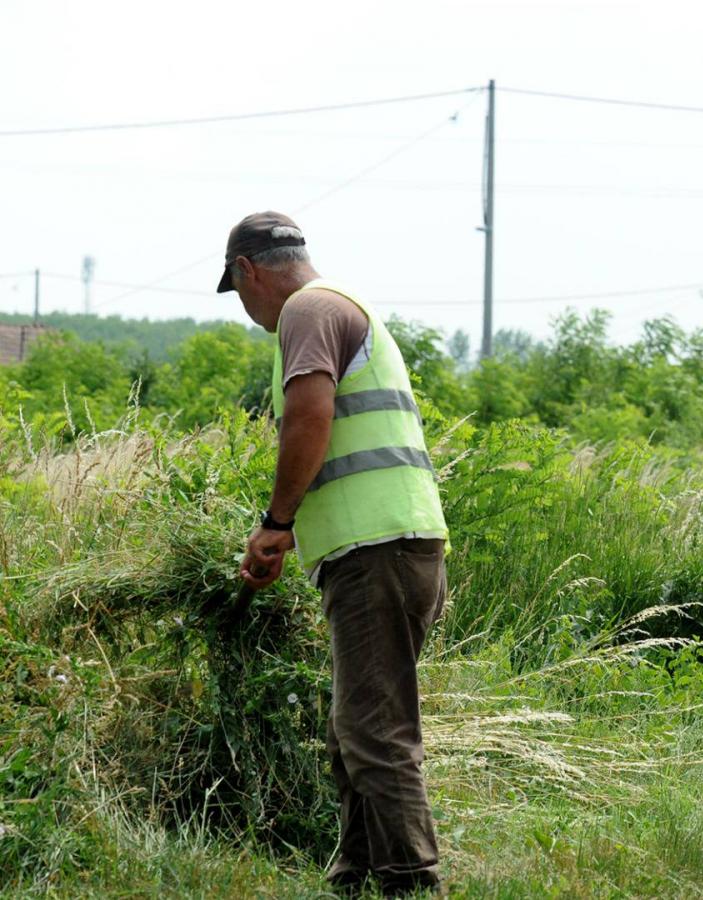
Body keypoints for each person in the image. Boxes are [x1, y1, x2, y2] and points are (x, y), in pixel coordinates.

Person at [224, 212, 449, 895]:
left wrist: (275, 520)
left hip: (375, 547)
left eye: (236, 291)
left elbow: (309, 416)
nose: (245, 307)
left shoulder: (306, 311)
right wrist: (291, 533)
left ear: (247, 272)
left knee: (375, 730)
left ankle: (412, 883)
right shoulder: (344, 305)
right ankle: (352, 876)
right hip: (398, 542)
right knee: (356, 725)